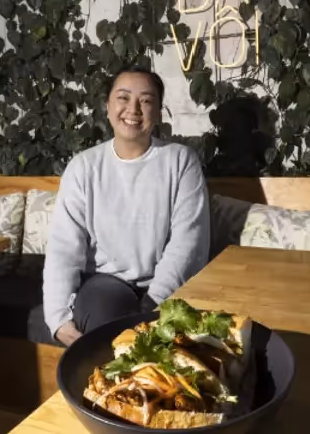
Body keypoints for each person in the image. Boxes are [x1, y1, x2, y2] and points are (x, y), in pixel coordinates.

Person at [31, 65, 211, 346]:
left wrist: (153, 304)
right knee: (105, 314)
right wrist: (57, 318)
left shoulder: (180, 161)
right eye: (123, 98)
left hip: (166, 288)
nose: (134, 109)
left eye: (146, 100)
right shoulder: (84, 167)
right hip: (107, 284)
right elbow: (64, 248)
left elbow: (188, 243)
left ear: (159, 110)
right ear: (107, 105)